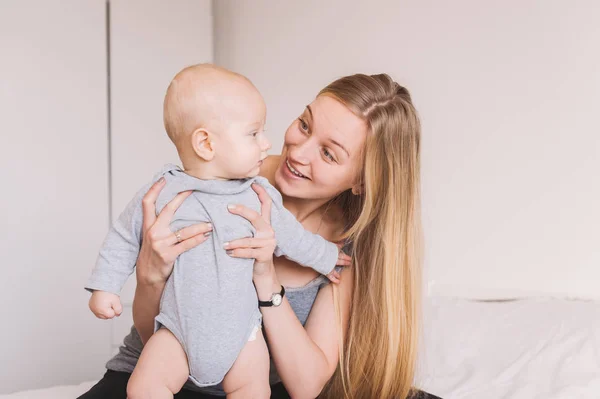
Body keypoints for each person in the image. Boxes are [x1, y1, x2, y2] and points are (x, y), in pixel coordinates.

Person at [80, 71, 437, 398]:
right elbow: (148, 333)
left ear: (361, 182)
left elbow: (306, 384)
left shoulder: (346, 245)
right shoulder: (220, 177)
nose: (297, 152)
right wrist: (150, 275)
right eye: (304, 124)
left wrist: (266, 279)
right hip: (158, 368)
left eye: (328, 153)